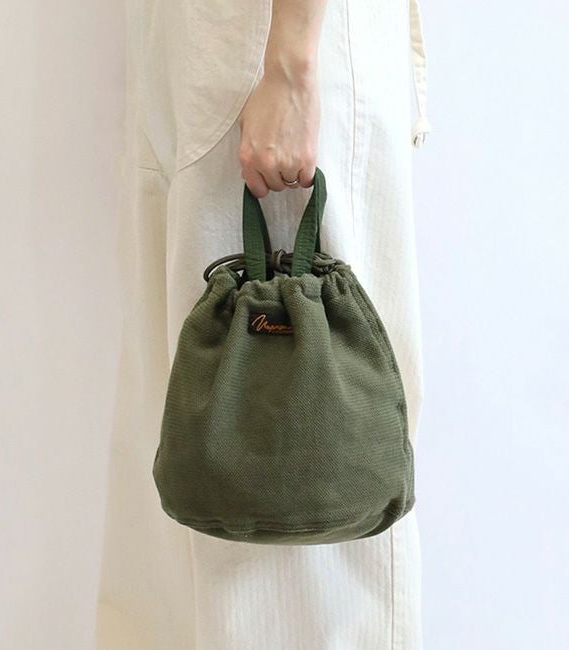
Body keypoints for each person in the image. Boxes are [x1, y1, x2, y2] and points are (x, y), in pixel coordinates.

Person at [97, 0, 431, 648]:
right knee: (183, 512)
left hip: (263, 56)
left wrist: (291, 62)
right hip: (203, 55)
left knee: (300, 529)